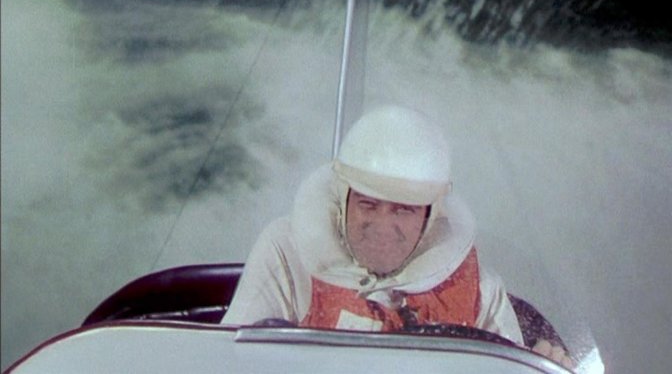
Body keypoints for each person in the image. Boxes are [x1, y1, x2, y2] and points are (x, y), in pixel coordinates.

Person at [222, 105, 573, 368]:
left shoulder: (480, 290)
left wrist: (546, 365)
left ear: (431, 215)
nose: (382, 225)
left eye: (403, 210)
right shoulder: (287, 252)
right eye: (368, 204)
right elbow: (225, 365)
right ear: (343, 199)